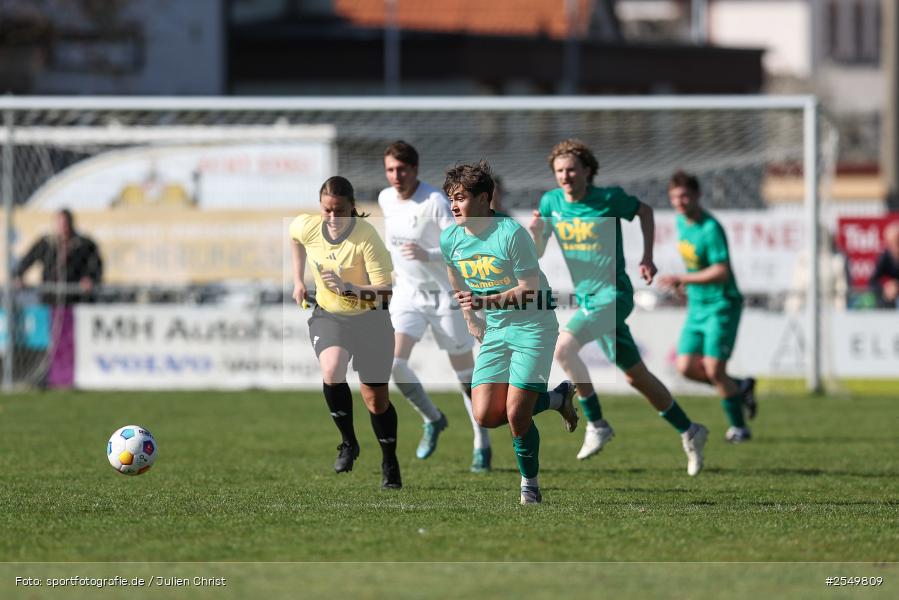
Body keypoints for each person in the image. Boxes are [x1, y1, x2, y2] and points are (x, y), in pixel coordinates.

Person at [528, 139, 708, 475]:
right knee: (636, 376)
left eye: (571, 170)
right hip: (589, 300)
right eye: (559, 171)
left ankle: (596, 422)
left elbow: (645, 211)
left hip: (614, 295)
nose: (565, 176)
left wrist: (647, 257)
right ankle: (690, 430)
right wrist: (536, 233)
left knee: (563, 348)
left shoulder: (608, 199)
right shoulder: (551, 202)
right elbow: (537, 252)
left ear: (587, 171)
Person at [440, 160, 578, 505]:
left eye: (460, 198)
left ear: (484, 198)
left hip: (533, 326)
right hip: (497, 329)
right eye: (451, 198)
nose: (454, 205)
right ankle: (557, 399)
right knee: (486, 415)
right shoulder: (450, 238)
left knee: (517, 413)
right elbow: (454, 273)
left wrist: (484, 301)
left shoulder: (511, 233)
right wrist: (470, 317)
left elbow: (529, 289)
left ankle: (529, 486)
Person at [378, 141, 492, 472]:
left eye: (402, 169)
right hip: (408, 294)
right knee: (393, 363)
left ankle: (481, 442)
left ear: (414, 169)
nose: (396, 176)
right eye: (390, 169)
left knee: (465, 375)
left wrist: (427, 254)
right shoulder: (386, 198)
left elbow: (461, 244)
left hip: (445, 295)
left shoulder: (435, 201)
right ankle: (433, 418)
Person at [290, 176, 402, 489]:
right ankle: (349, 443)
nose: (332, 217)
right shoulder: (308, 227)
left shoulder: (367, 238)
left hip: (372, 320)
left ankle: (389, 461)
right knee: (332, 368)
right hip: (330, 316)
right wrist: (298, 280)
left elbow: (386, 292)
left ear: (352, 207)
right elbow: (295, 238)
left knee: (376, 401)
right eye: (327, 210)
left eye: (339, 210)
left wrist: (349, 289)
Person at [658, 171, 757, 443]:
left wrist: (683, 279)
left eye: (684, 196)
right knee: (686, 368)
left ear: (697, 195)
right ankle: (740, 387)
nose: (679, 202)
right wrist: (685, 287)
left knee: (714, 370)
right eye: (674, 197)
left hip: (721, 305)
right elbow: (696, 266)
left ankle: (739, 428)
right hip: (697, 306)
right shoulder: (682, 223)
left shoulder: (710, 228)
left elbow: (721, 271)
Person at [14, 208, 103, 388]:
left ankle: (66, 378)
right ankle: (43, 377)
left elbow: (96, 266)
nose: (62, 227)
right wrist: (19, 275)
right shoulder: (47, 244)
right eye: (59, 223)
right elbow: (27, 259)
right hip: (50, 301)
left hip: (73, 302)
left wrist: (90, 279)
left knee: (68, 342)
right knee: (47, 341)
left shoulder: (83, 244)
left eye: (65, 223)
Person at [868, 220, 899, 308]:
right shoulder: (885, 257)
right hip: (890, 301)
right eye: (890, 243)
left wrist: (897, 286)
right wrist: (885, 287)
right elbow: (873, 281)